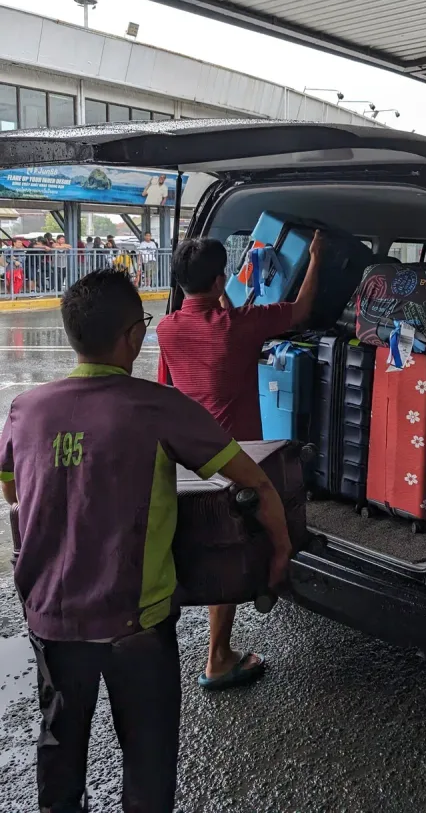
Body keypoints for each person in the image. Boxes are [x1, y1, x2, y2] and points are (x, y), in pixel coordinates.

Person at [0, 269, 292, 812]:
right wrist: (278, 556)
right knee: (148, 762)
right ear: (133, 337)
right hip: (136, 622)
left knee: (59, 750)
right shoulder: (158, 406)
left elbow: (14, 488)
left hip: (50, 619)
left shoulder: (25, 410)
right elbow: (254, 481)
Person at [157, 233, 323, 690]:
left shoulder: (167, 328)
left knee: (196, 544)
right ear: (218, 278)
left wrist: (219, 290)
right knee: (233, 547)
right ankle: (221, 653)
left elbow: (167, 386)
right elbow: (302, 309)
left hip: (187, 457)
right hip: (236, 457)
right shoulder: (241, 325)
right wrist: (315, 258)